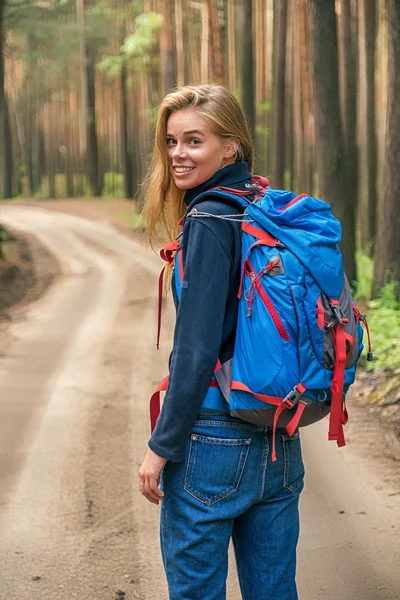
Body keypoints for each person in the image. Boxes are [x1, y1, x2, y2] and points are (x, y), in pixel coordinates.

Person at [138, 84, 305, 600]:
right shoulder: (262, 207)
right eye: (171, 142)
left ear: (230, 146)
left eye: (194, 141)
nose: (177, 155)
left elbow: (195, 349)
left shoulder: (210, 218)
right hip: (278, 436)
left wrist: (160, 448)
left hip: (213, 438)